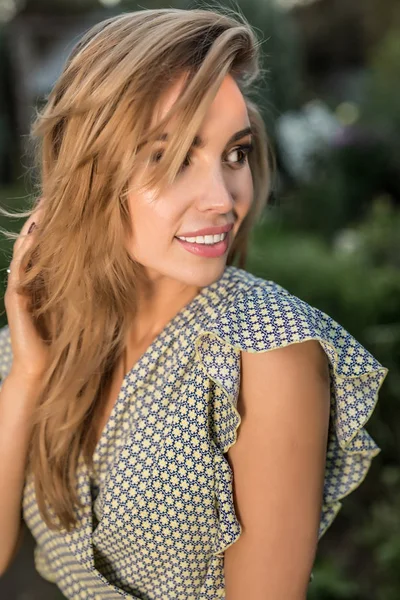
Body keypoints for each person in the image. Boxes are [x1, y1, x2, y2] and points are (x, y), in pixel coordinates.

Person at [0, 7, 388, 600]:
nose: (223, 198)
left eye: (234, 153)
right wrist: (27, 374)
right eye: (175, 156)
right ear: (92, 171)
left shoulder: (266, 351)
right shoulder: (49, 327)